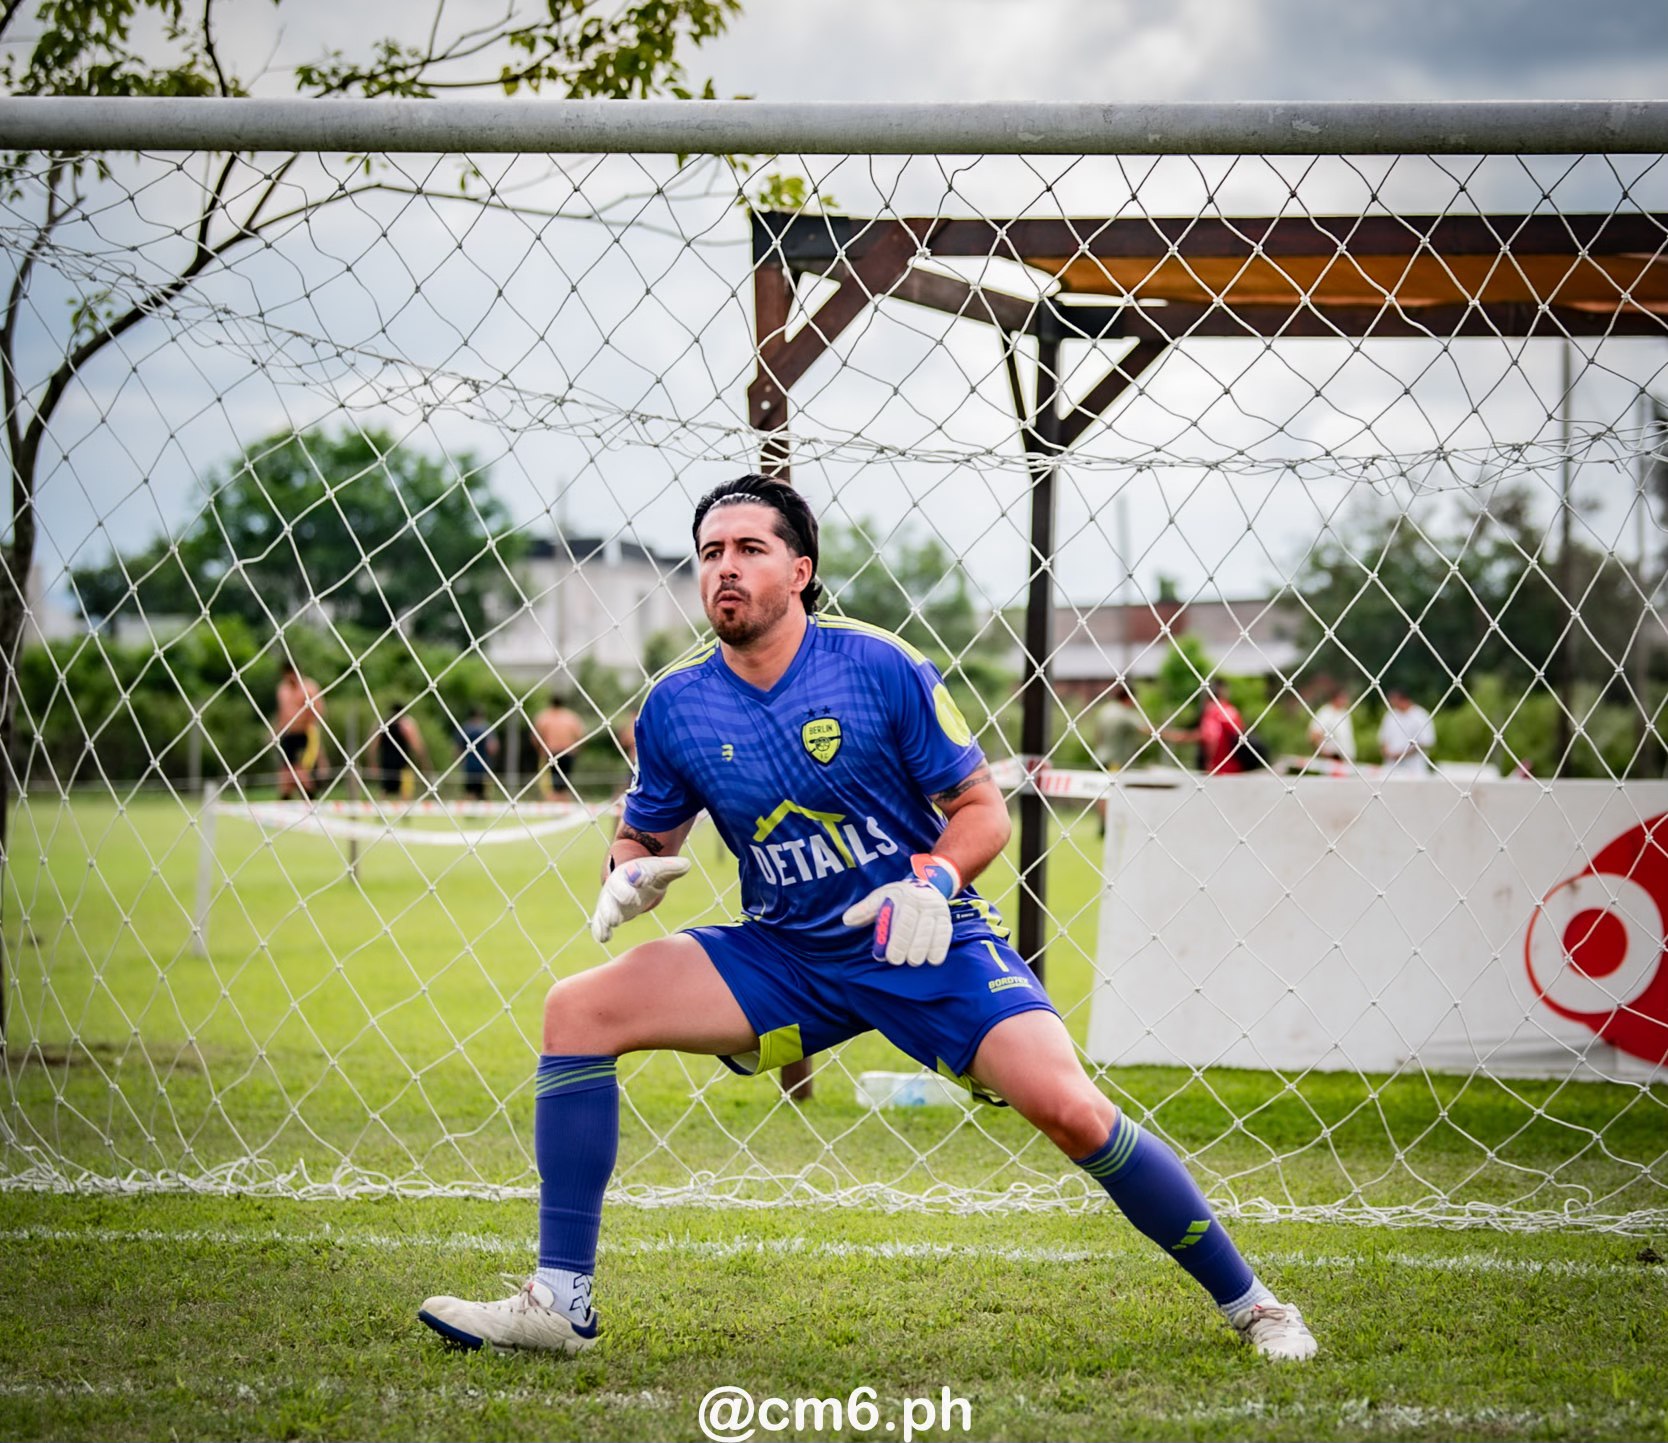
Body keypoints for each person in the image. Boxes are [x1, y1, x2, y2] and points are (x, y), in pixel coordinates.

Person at [417, 474, 1317, 1362]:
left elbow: (982, 809)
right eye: (710, 554)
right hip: (787, 952)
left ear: (801, 569)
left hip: (926, 937)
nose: (724, 569)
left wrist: (932, 880)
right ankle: (559, 1302)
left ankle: (1257, 1305)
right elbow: (644, 828)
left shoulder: (878, 665)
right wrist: (625, 873)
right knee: (579, 1008)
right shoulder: (676, 705)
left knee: (1072, 1110)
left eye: (749, 550)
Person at [1167, 679, 1250, 775]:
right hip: (1238, 769)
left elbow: (1212, 736)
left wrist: (1209, 764)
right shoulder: (1232, 710)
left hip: (1220, 770)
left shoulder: (1212, 711)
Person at [274, 662, 324, 799]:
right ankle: (285, 804)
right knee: (286, 774)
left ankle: (310, 799)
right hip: (287, 735)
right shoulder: (282, 689)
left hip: (305, 734)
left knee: (303, 773)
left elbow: (318, 713)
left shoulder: (309, 688)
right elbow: (281, 713)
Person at [373, 700, 430, 801]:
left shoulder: (383, 723)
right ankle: (405, 811)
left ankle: (381, 809)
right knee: (405, 789)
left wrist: (373, 761)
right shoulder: (406, 724)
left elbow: (374, 745)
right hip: (403, 762)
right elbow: (416, 743)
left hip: (387, 761)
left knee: (386, 788)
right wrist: (423, 759)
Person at [533, 691, 585, 801]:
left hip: (551, 753)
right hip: (568, 753)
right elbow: (580, 735)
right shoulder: (571, 717)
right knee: (564, 783)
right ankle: (562, 805)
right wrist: (577, 750)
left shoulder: (544, 717)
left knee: (552, 784)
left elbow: (535, 736)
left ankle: (556, 806)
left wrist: (539, 750)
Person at [1378, 687, 1436, 777]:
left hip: (1415, 769)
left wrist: (1401, 755)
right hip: (1391, 768)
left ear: (1403, 699)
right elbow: (1383, 739)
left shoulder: (1421, 715)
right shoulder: (1390, 715)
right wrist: (1386, 752)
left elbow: (1425, 742)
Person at [1307, 685, 1357, 772]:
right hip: (1332, 760)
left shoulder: (1345, 713)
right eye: (1343, 698)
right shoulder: (1325, 712)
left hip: (1347, 760)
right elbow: (1313, 734)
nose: (1345, 700)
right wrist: (1325, 751)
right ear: (1336, 698)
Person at [457, 707, 499, 802]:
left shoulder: (465, 728)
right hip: (484, 766)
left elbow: (458, 748)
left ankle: (469, 813)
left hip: (469, 766)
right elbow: (492, 748)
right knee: (485, 793)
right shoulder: (486, 728)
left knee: (470, 792)